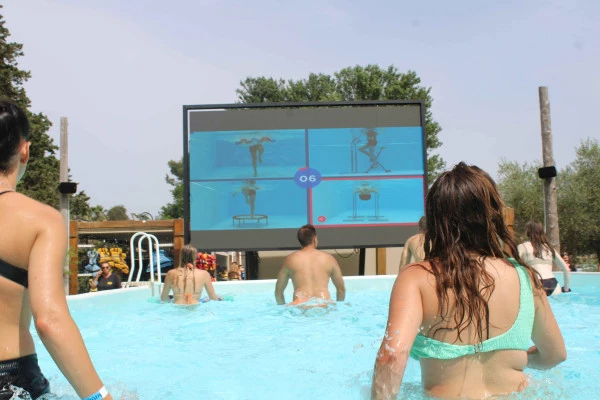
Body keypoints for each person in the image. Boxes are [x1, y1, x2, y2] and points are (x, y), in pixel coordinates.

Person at [372, 162, 566, 400]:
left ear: (436, 219)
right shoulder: (523, 276)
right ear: (492, 216)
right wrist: (516, 357)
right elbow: (555, 355)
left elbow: (392, 356)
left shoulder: (417, 277)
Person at [0, 101, 112, 399]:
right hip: (9, 377)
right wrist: (100, 396)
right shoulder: (40, 220)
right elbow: (49, 320)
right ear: (24, 150)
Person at [274, 224, 346, 305]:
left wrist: (283, 308)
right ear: (314, 239)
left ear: (300, 241)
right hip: (323, 304)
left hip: (300, 306)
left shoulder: (290, 260)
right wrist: (339, 307)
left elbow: (278, 292)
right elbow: (341, 290)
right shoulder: (329, 259)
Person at [518, 221, 571, 296]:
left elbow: (513, 266)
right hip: (553, 284)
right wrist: (566, 289)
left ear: (528, 232)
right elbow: (566, 269)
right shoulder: (549, 248)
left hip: (535, 283)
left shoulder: (522, 247)